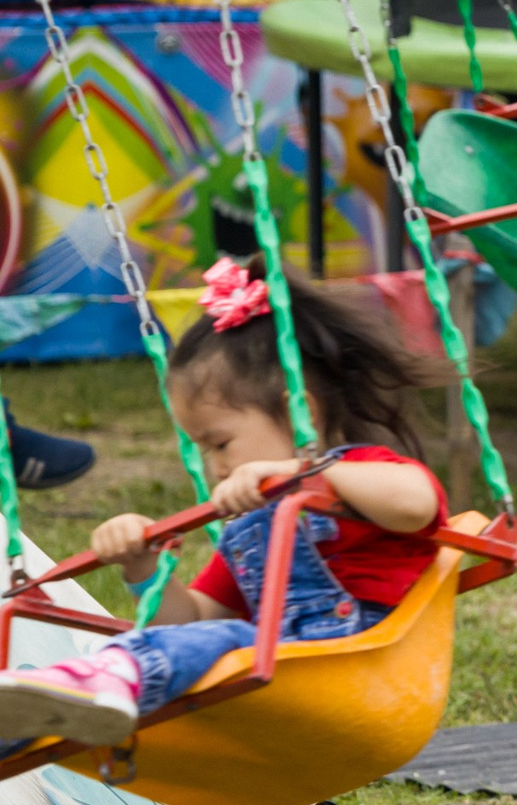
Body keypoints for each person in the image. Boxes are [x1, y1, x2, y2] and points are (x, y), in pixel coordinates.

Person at [0, 260, 445, 751]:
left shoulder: (358, 473)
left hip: (352, 670)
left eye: (220, 443)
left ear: (302, 413)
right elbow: (191, 622)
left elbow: (417, 504)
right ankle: (53, 711)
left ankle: (93, 687)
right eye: (202, 450)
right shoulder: (252, 530)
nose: (215, 466)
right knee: (212, 639)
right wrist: (144, 568)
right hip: (284, 679)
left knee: (228, 640)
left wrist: (302, 473)